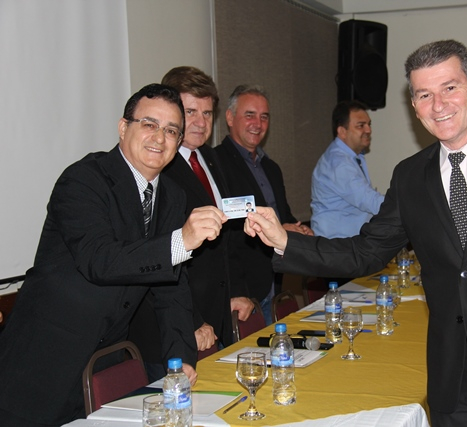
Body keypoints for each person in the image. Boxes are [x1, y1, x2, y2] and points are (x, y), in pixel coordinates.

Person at [245, 40, 467, 426]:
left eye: (450, 88)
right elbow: (365, 251)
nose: (438, 105)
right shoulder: (411, 176)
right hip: (451, 383)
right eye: (424, 95)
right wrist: (284, 241)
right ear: (414, 106)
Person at [0, 84, 227, 427]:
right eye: (149, 124)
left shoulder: (172, 196)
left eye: (171, 131)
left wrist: (180, 359)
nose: (160, 138)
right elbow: (100, 260)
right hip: (42, 363)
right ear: (123, 128)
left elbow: (170, 287)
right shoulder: (83, 180)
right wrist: (181, 240)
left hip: (105, 368)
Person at [128, 67, 253, 381]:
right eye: (190, 112)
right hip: (173, 325)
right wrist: (190, 321)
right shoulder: (158, 167)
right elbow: (155, 256)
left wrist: (237, 291)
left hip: (218, 314)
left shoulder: (212, 158)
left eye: (207, 113)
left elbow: (229, 234)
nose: (200, 122)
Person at [214, 84, 312, 324]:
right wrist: (278, 229)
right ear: (230, 117)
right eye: (250, 115)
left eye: (264, 117)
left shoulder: (271, 168)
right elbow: (226, 232)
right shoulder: (216, 164)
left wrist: (299, 230)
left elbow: (283, 215)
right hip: (241, 290)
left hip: (274, 282)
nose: (257, 124)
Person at [310, 100, 385, 238]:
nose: (368, 130)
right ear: (342, 132)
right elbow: (370, 202)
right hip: (336, 244)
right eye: (361, 126)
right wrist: (408, 205)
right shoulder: (338, 162)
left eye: (369, 124)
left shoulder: (353, 157)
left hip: (346, 243)